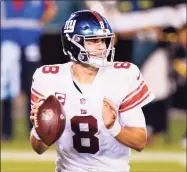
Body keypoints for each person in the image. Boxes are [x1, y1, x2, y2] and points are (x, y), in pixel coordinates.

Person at [30, 10, 154, 172]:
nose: (102, 47)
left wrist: (113, 127)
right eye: (94, 41)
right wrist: (42, 129)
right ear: (73, 42)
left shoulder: (124, 75)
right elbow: (38, 148)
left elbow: (140, 142)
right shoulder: (47, 77)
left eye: (103, 40)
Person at [1, 0, 57, 140]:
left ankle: (33, 128)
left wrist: (40, 23)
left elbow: (51, 8)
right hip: (7, 46)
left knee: (32, 89)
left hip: (30, 45)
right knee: (7, 89)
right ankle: (6, 131)